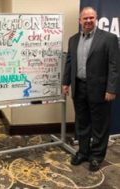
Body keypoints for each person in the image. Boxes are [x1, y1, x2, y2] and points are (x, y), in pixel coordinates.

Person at [62, 6, 119, 172]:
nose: (88, 21)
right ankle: (83, 152)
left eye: (91, 18)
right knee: (82, 123)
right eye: (85, 18)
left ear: (96, 19)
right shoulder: (73, 39)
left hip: (101, 89)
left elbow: (114, 66)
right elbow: (69, 63)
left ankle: (96, 157)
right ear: (80, 20)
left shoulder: (109, 38)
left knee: (100, 125)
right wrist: (66, 82)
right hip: (79, 87)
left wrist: (111, 88)